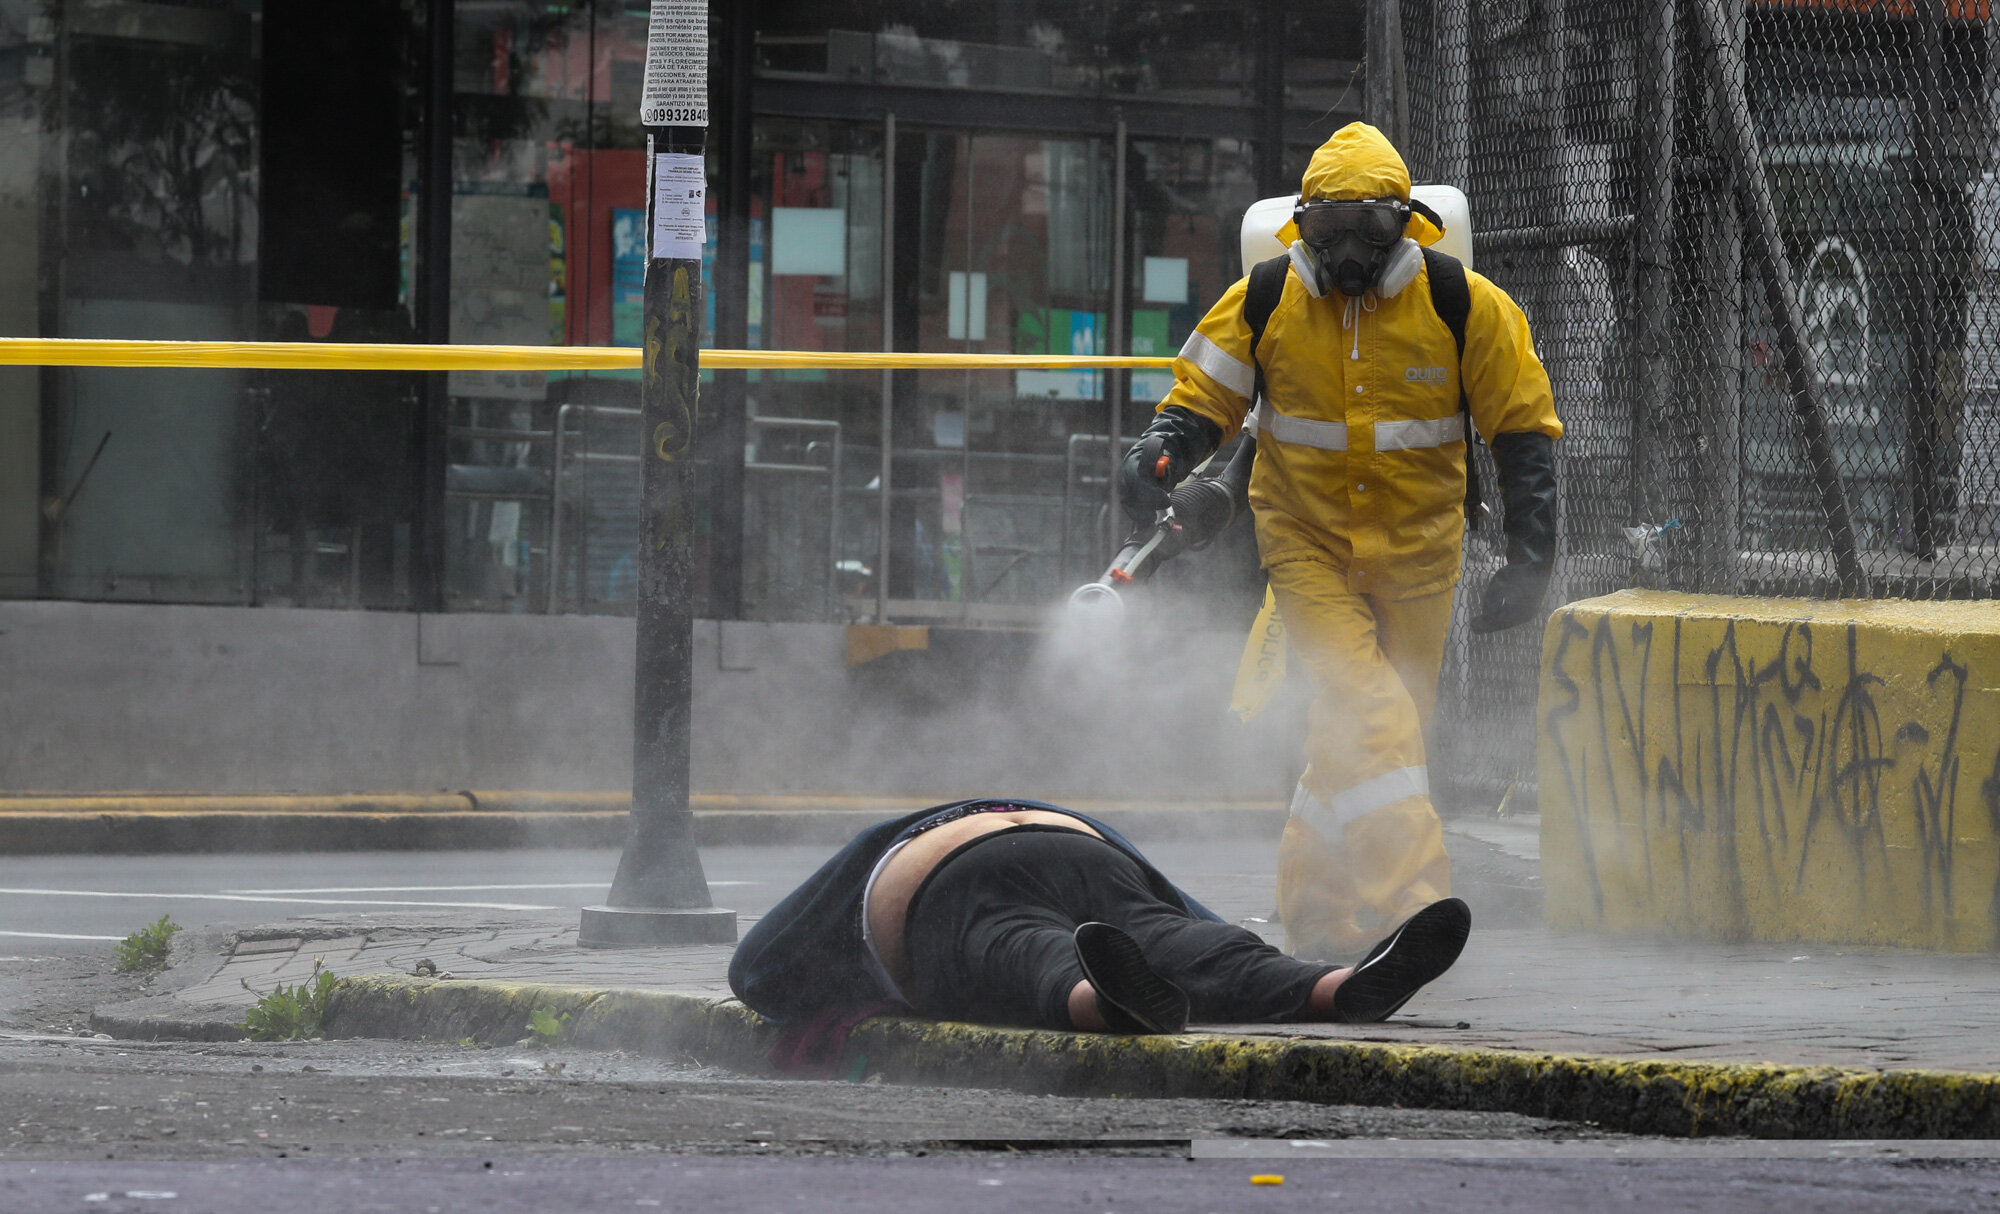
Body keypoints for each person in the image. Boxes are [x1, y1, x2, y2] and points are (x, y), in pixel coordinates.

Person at [1119, 122, 1561, 962]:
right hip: (1306, 546)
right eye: (1327, 232)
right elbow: (1203, 398)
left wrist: (1531, 552)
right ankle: (1418, 910)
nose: (1349, 251)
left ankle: (1318, 918)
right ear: (1301, 227)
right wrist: (1161, 446)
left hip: (1421, 557)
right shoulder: (1265, 299)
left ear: (1408, 224)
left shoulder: (1465, 305)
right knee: (1368, 715)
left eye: (1371, 229)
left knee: (1366, 738)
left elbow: (1522, 428)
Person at [728, 797, 1469, 1035]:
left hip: (947, 877)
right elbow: (1179, 912)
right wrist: (1245, 962)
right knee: (1188, 943)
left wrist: (853, 991)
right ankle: (1334, 986)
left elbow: (755, 968)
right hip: (1090, 850)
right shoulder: (1030, 809)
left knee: (1019, 952)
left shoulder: (888, 841)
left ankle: (1100, 1001)